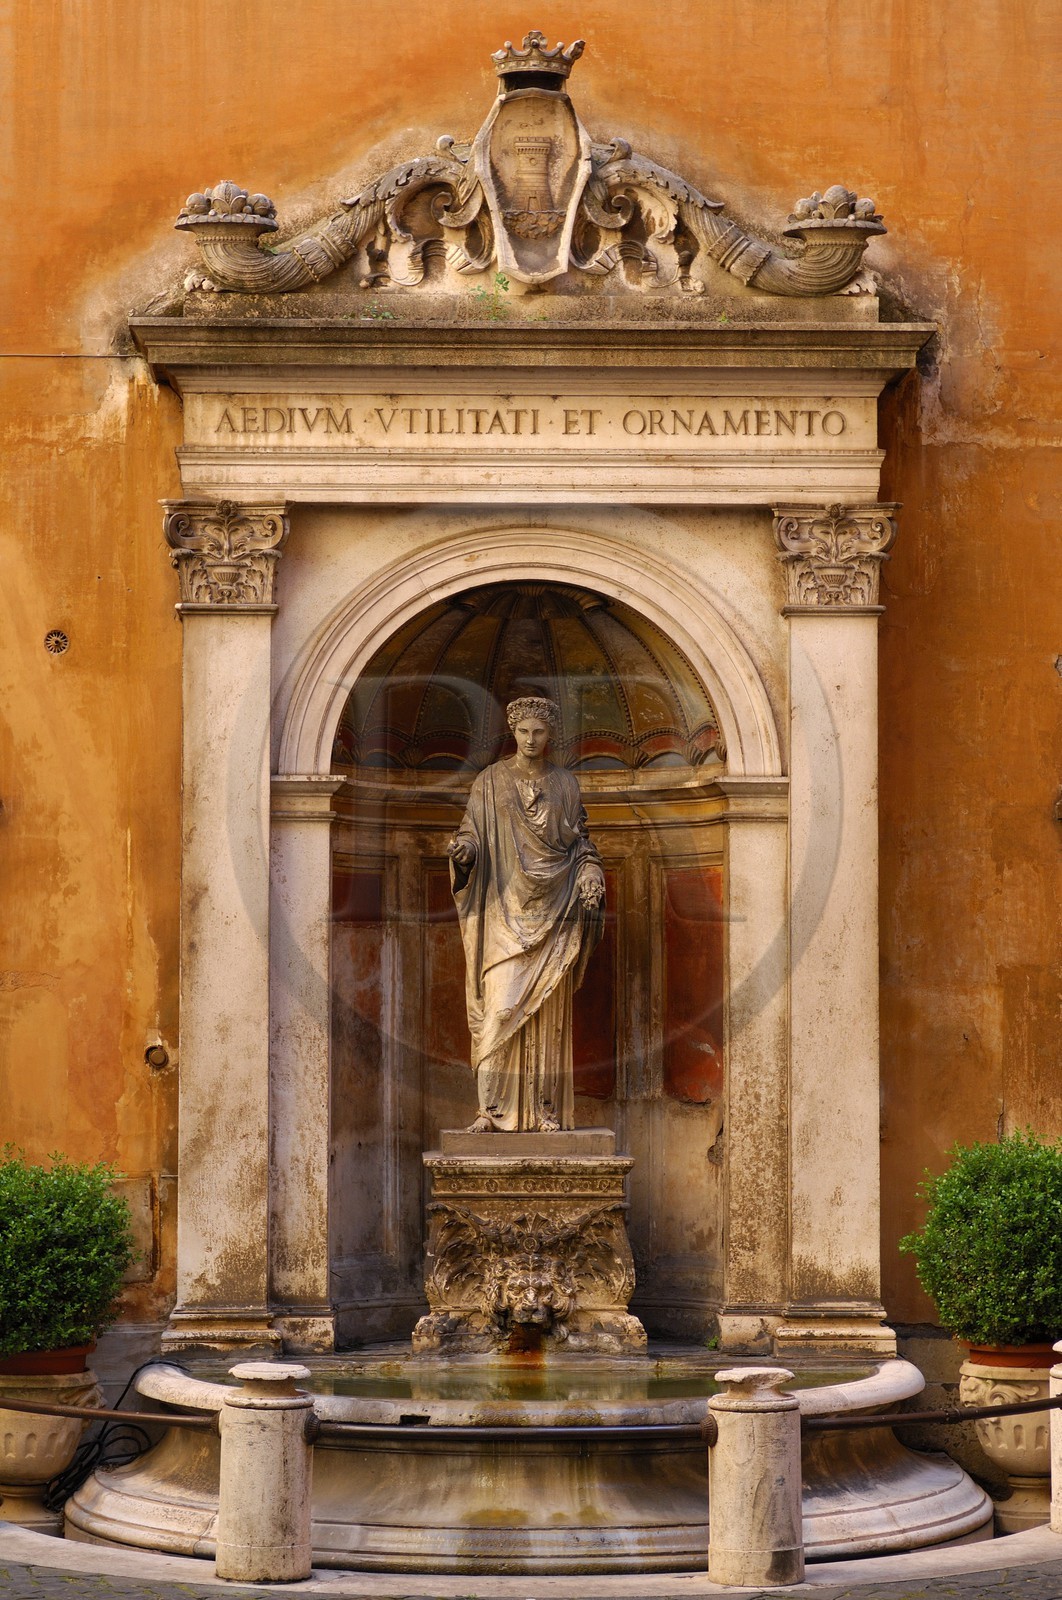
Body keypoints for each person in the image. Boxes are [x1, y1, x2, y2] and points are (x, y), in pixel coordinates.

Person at [447, 696, 605, 1132]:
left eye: (538, 732)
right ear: (512, 733)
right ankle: (490, 1111)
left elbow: (582, 845)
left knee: (545, 1016)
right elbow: (472, 834)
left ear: (549, 734)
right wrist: (465, 852)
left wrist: (590, 872)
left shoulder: (566, 785)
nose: (530, 739)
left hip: (555, 911)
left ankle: (544, 1110)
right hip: (503, 913)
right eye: (523, 732)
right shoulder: (489, 782)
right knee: (499, 1010)